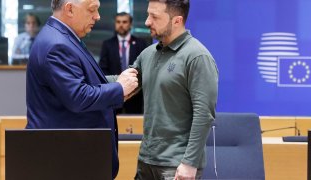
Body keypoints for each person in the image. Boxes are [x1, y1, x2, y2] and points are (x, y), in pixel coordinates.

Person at [26, 0, 138, 179]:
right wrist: (119, 88)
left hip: (70, 156)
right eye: (92, 10)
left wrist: (118, 81)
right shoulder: (57, 45)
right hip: (65, 160)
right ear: (70, 9)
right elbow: (78, 96)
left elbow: (84, 81)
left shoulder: (62, 37)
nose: (98, 16)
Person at [131, 0, 219, 179]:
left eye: (154, 16)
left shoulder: (198, 56)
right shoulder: (147, 54)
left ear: (177, 21)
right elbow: (124, 83)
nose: (147, 21)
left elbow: (204, 114)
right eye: (148, 14)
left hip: (177, 165)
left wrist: (190, 163)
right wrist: (81, 79)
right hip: (146, 161)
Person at [99, 12, 148, 114]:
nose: (121, 24)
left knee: (135, 126)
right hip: (114, 91)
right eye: (118, 22)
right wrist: (113, 86)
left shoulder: (141, 43)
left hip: (136, 94)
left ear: (130, 24)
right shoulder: (107, 44)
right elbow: (103, 68)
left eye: (124, 22)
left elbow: (144, 68)